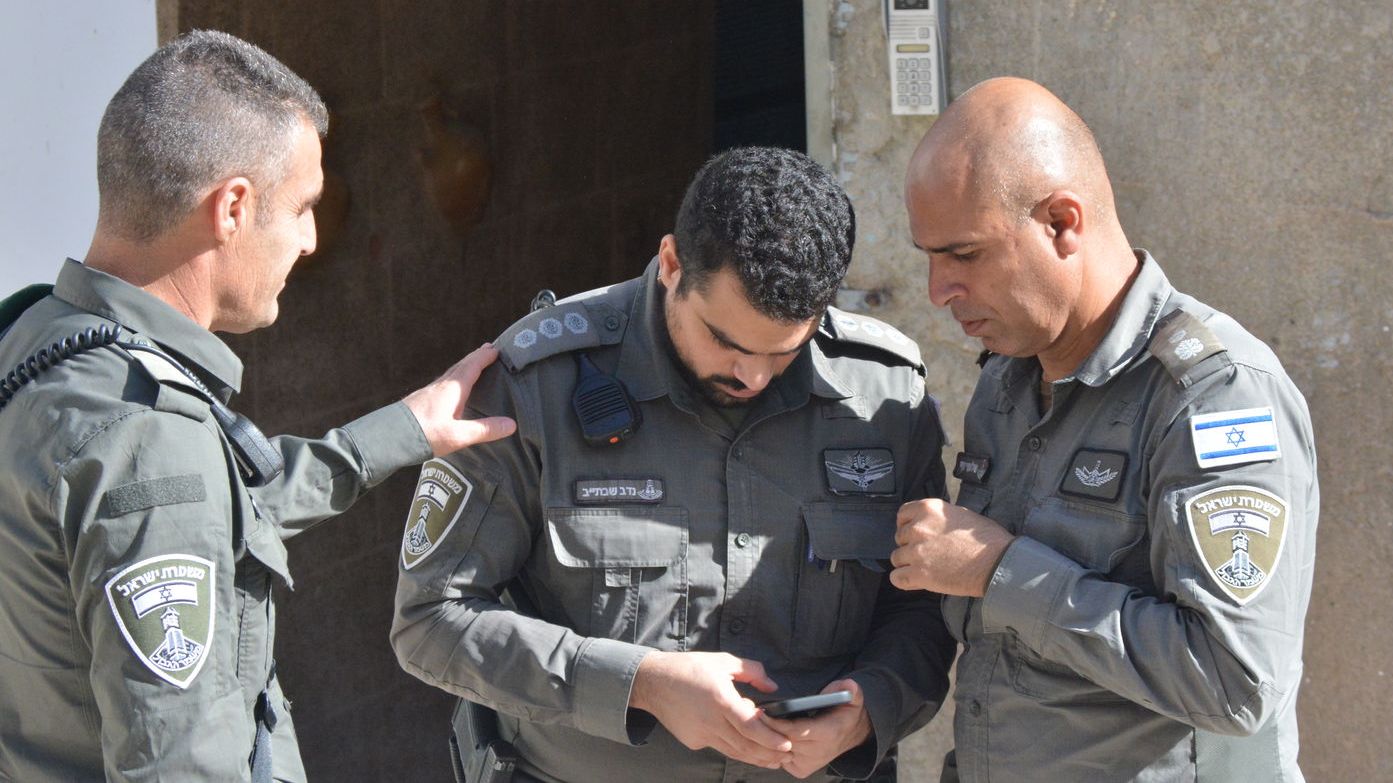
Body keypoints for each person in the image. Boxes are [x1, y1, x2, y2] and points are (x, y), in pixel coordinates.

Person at [0, 30, 515, 783]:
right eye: (303, 205)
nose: (309, 239)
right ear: (232, 207)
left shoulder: (39, 339)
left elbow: (203, 512)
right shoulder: (149, 438)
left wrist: (404, 431)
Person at [392, 147, 954, 783]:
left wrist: (866, 709)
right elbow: (430, 621)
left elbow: (925, 612)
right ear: (671, 265)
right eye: (726, 340)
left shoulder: (882, 393)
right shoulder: (533, 387)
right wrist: (642, 685)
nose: (753, 375)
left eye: (784, 351)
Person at [891, 77, 1318, 782]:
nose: (939, 290)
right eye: (928, 256)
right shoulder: (1007, 381)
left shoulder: (1217, 396)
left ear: (1063, 222)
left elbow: (1237, 682)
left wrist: (1003, 571)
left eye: (963, 254)